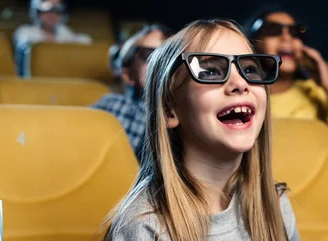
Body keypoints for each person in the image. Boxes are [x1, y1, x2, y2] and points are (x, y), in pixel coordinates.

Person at [100, 19, 299, 241]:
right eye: (210, 72)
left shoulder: (275, 204)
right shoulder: (143, 227)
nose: (241, 83)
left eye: (250, 69)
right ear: (169, 109)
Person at [246, 4, 328, 149]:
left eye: (295, 32)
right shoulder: (245, 95)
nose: (286, 37)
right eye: (273, 30)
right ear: (254, 44)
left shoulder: (314, 92)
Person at [91, 24, 171, 157]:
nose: (162, 63)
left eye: (170, 55)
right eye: (149, 55)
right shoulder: (115, 107)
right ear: (128, 75)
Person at [12, 0, 92, 52]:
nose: (53, 15)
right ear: (37, 12)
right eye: (48, 10)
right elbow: (27, 46)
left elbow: (84, 41)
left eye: (58, 11)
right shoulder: (24, 31)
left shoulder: (63, 31)